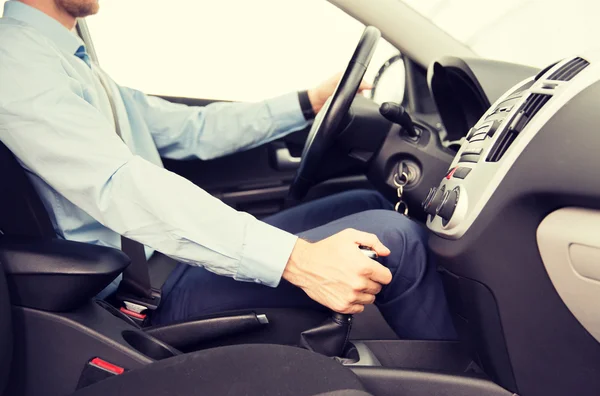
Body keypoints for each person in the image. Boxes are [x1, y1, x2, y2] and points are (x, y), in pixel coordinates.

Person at [0, 0, 456, 339]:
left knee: (367, 201)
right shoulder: (16, 61)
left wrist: (308, 101)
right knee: (397, 240)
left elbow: (191, 129)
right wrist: (298, 261)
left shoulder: (73, 62)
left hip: (168, 258)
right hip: (139, 295)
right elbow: (118, 184)